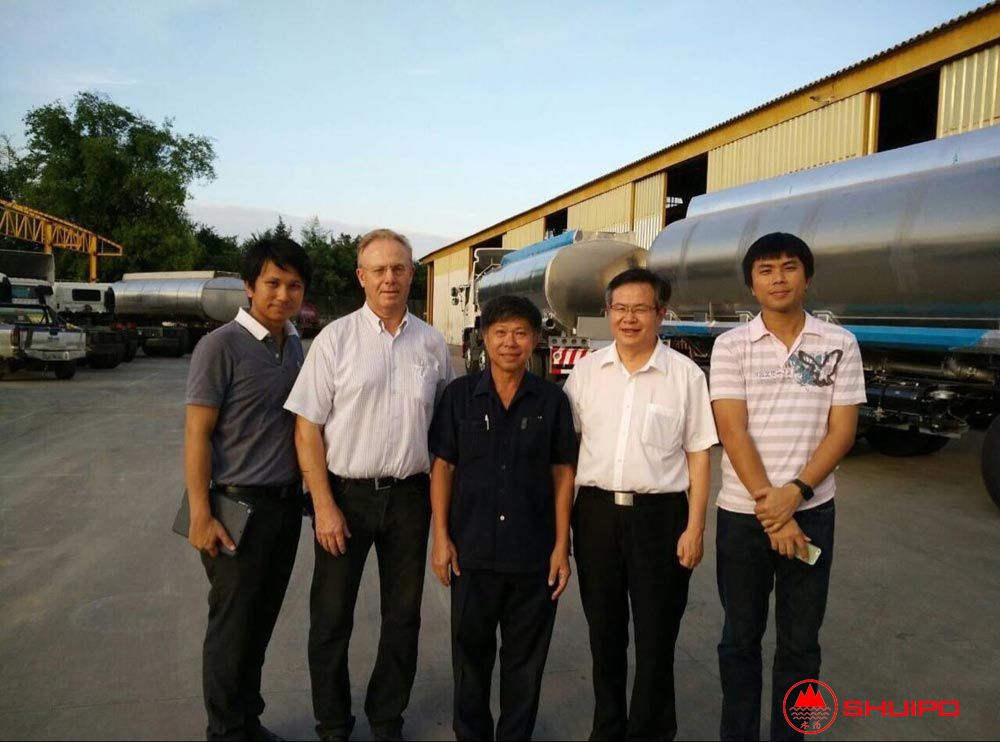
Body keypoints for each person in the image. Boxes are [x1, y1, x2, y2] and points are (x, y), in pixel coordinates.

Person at [284, 228, 454, 742]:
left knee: (402, 618)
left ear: (411, 274)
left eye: (398, 268)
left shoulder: (432, 344)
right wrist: (323, 504)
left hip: (410, 498)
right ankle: (333, 724)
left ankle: (386, 720)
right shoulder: (334, 340)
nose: (389, 278)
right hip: (346, 498)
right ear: (361, 276)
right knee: (331, 618)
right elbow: (306, 428)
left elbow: (445, 431)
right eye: (378, 269)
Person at [710, 232, 866, 741]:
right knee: (740, 638)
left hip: (812, 511)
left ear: (808, 277)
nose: (778, 278)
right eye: (766, 269)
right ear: (751, 285)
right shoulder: (731, 346)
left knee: (801, 642)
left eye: (789, 267)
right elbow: (732, 430)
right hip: (743, 515)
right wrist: (771, 509)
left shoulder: (839, 343)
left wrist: (794, 493)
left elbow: (842, 431)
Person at [563, 268, 717, 742]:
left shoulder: (684, 376)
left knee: (656, 637)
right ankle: (607, 728)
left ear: (660, 314)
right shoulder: (586, 373)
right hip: (595, 516)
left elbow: (699, 454)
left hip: (661, 519)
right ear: (607, 312)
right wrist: (561, 528)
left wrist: (695, 528)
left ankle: (650, 731)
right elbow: (567, 454)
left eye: (640, 309)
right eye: (620, 308)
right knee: (604, 634)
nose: (629, 318)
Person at [428, 295, 577, 742]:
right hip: (471, 554)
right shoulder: (459, 397)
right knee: (470, 662)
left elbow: (563, 474)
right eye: (500, 333)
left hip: (533, 557)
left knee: (525, 665)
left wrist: (561, 546)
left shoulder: (552, 400)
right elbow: (443, 468)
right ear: (484, 338)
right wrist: (441, 538)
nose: (510, 342)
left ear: (534, 341)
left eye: (520, 333)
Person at [184, 237, 312, 741]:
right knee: (232, 627)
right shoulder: (220, 346)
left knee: (259, 625)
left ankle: (247, 721)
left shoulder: (294, 344)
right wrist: (201, 513)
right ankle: (225, 731)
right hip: (235, 505)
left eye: (294, 285)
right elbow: (197, 433)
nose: (283, 294)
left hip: (284, 505)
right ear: (249, 286)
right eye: (272, 283)